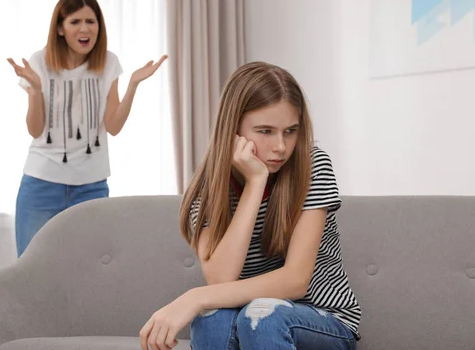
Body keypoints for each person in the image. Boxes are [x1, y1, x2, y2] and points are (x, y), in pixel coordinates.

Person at [139, 62, 360, 350]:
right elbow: (221, 278)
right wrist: (255, 183)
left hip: (324, 320)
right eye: (265, 131)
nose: (281, 146)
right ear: (233, 129)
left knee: (262, 317)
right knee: (212, 319)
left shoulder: (312, 165)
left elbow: (295, 281)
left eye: (290, 131)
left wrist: (194, 296)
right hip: (247, 318)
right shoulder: (206, 188)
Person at [7, 0, 167, 257]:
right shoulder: (40, 62)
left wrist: (133, 85)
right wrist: (35, 91)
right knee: (31, 272)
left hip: (91, 186)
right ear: (60, 28)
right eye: (75, 22)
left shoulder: (108, 62)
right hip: (41, 184)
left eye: (91, 22)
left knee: (88, 272)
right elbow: (35, 130)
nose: (85, 29)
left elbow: (113, 126)